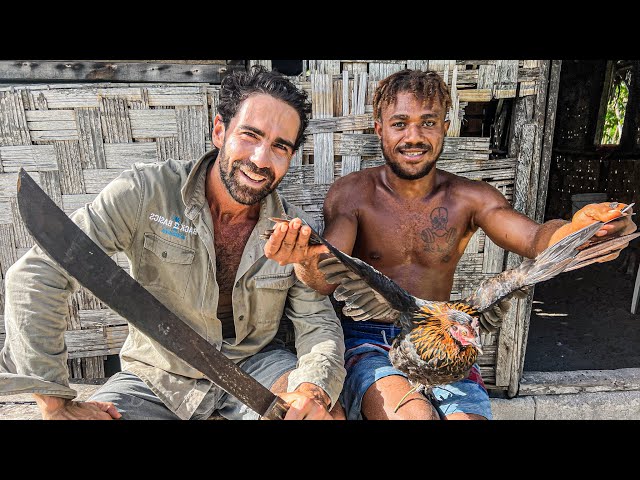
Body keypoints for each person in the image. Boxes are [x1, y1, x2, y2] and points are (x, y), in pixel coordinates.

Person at [264, 68, 637, 420]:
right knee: (411, 415)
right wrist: (305, 259)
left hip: (447, 340)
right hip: (370, 338)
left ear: (445, 127)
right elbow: (325, 275)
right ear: (379, 129)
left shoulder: (469, 198)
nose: (413, 136)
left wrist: (578, 229)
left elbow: (537, 239)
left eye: (427, 122)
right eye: (399, 124)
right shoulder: (354, 195)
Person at [0, 65, 347, 420]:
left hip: (256, 369)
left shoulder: (294, 234)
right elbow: (38, 274)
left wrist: (312, 390)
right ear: (219, 131)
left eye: (279, 147)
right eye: (250, 135)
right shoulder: (145, 193)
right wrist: (56, 404)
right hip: (155, 377)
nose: (260, 159)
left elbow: (317, 323)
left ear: (290, 158)